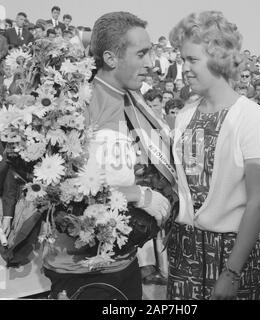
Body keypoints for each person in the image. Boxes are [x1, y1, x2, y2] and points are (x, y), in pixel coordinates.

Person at [42, 11, 176, 300]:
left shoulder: (133, 102)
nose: (151, 64)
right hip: (81, 271)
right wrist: (136, 194)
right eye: (141, 54)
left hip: (124, 261)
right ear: (111, 58)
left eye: (151, 53)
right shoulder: (78, 105)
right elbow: (56, 189)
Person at [167, 10, 260, 300]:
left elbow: (256, 202)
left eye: (192, 60)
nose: (185, 68)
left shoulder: (252, 118)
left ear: (217, 58)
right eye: (182, 60)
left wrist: (231, 273)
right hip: (184, 256)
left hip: (231, 256)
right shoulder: (184, 115)